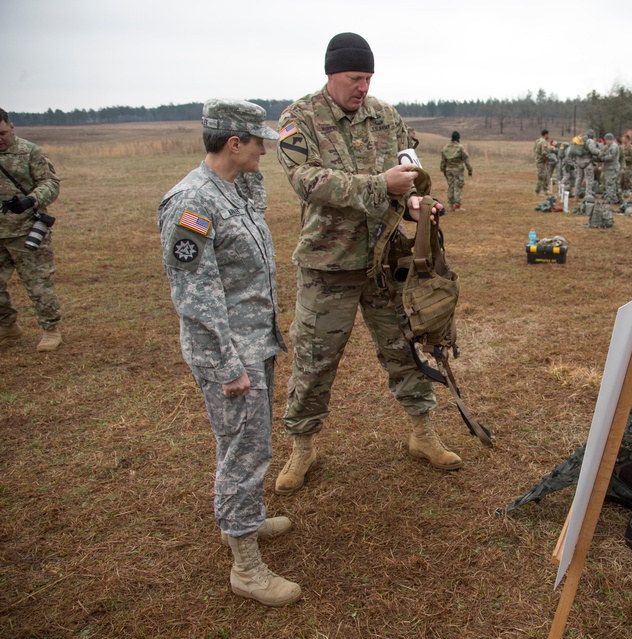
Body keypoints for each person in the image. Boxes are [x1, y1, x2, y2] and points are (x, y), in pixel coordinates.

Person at [274, 32, 461, 497]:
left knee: (405, 348)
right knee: (314, 361)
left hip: (385, 262)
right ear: (332, 74)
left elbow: (410, 171)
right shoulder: (300, 119)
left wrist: (417, 202)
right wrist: (381, 185)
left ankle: (422, 432)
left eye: (369, 77)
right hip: (327, 265)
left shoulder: (386, 116)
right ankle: (303, 445)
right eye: (356, 77)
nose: (364, 86)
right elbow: (307, 180)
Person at [157, 99, 299, 607]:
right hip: (229, 352)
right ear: (233, 144)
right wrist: (226, 365)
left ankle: (245, 521)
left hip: (252, 341)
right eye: (257, 141)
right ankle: (245, 567)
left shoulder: (232, 189)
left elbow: (255, 211)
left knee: (243, 440)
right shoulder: (193, 202)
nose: (265, 148)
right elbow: (195, 296)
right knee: (246, 449)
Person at [0, 108, 62, 352]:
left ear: (11, 127)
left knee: (38, 284)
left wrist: (30, 200)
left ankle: (51, 330)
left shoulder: (30, 152)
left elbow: (51, 183)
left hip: (27, 231)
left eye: (2, 133)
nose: (0, 138)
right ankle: (7, 325)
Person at [440, 130, 472, 211]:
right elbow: (466, 159)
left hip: (448, 170)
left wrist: (443, 169)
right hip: (458, 170)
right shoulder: (460, 147)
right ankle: (457, 206)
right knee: (458, 187)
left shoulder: (446, 147)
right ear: (458, 138)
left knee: (450, 186)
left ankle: (451, 205)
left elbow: (443, 160)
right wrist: (470, 170)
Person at [600, 133, 621, 204]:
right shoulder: (610, 146)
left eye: (606, 140)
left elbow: (611, 157)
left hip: (612, 168)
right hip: (610, 168)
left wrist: (602, 158)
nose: (605, 141)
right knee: (610, 183)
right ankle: (611, 197)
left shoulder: (613, 147)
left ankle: (611, 199)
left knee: (610, 183)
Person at [534, 129, 550, 195]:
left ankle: (545, 190)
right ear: (545, 134)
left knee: (545, 176)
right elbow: (544, 153)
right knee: (541, 176)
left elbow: (535, 150)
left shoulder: (537, 141)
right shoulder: (543, 142)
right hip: (541, 161)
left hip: (538, 160)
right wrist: (547, 159)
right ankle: (538, 191)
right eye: (548, 134)